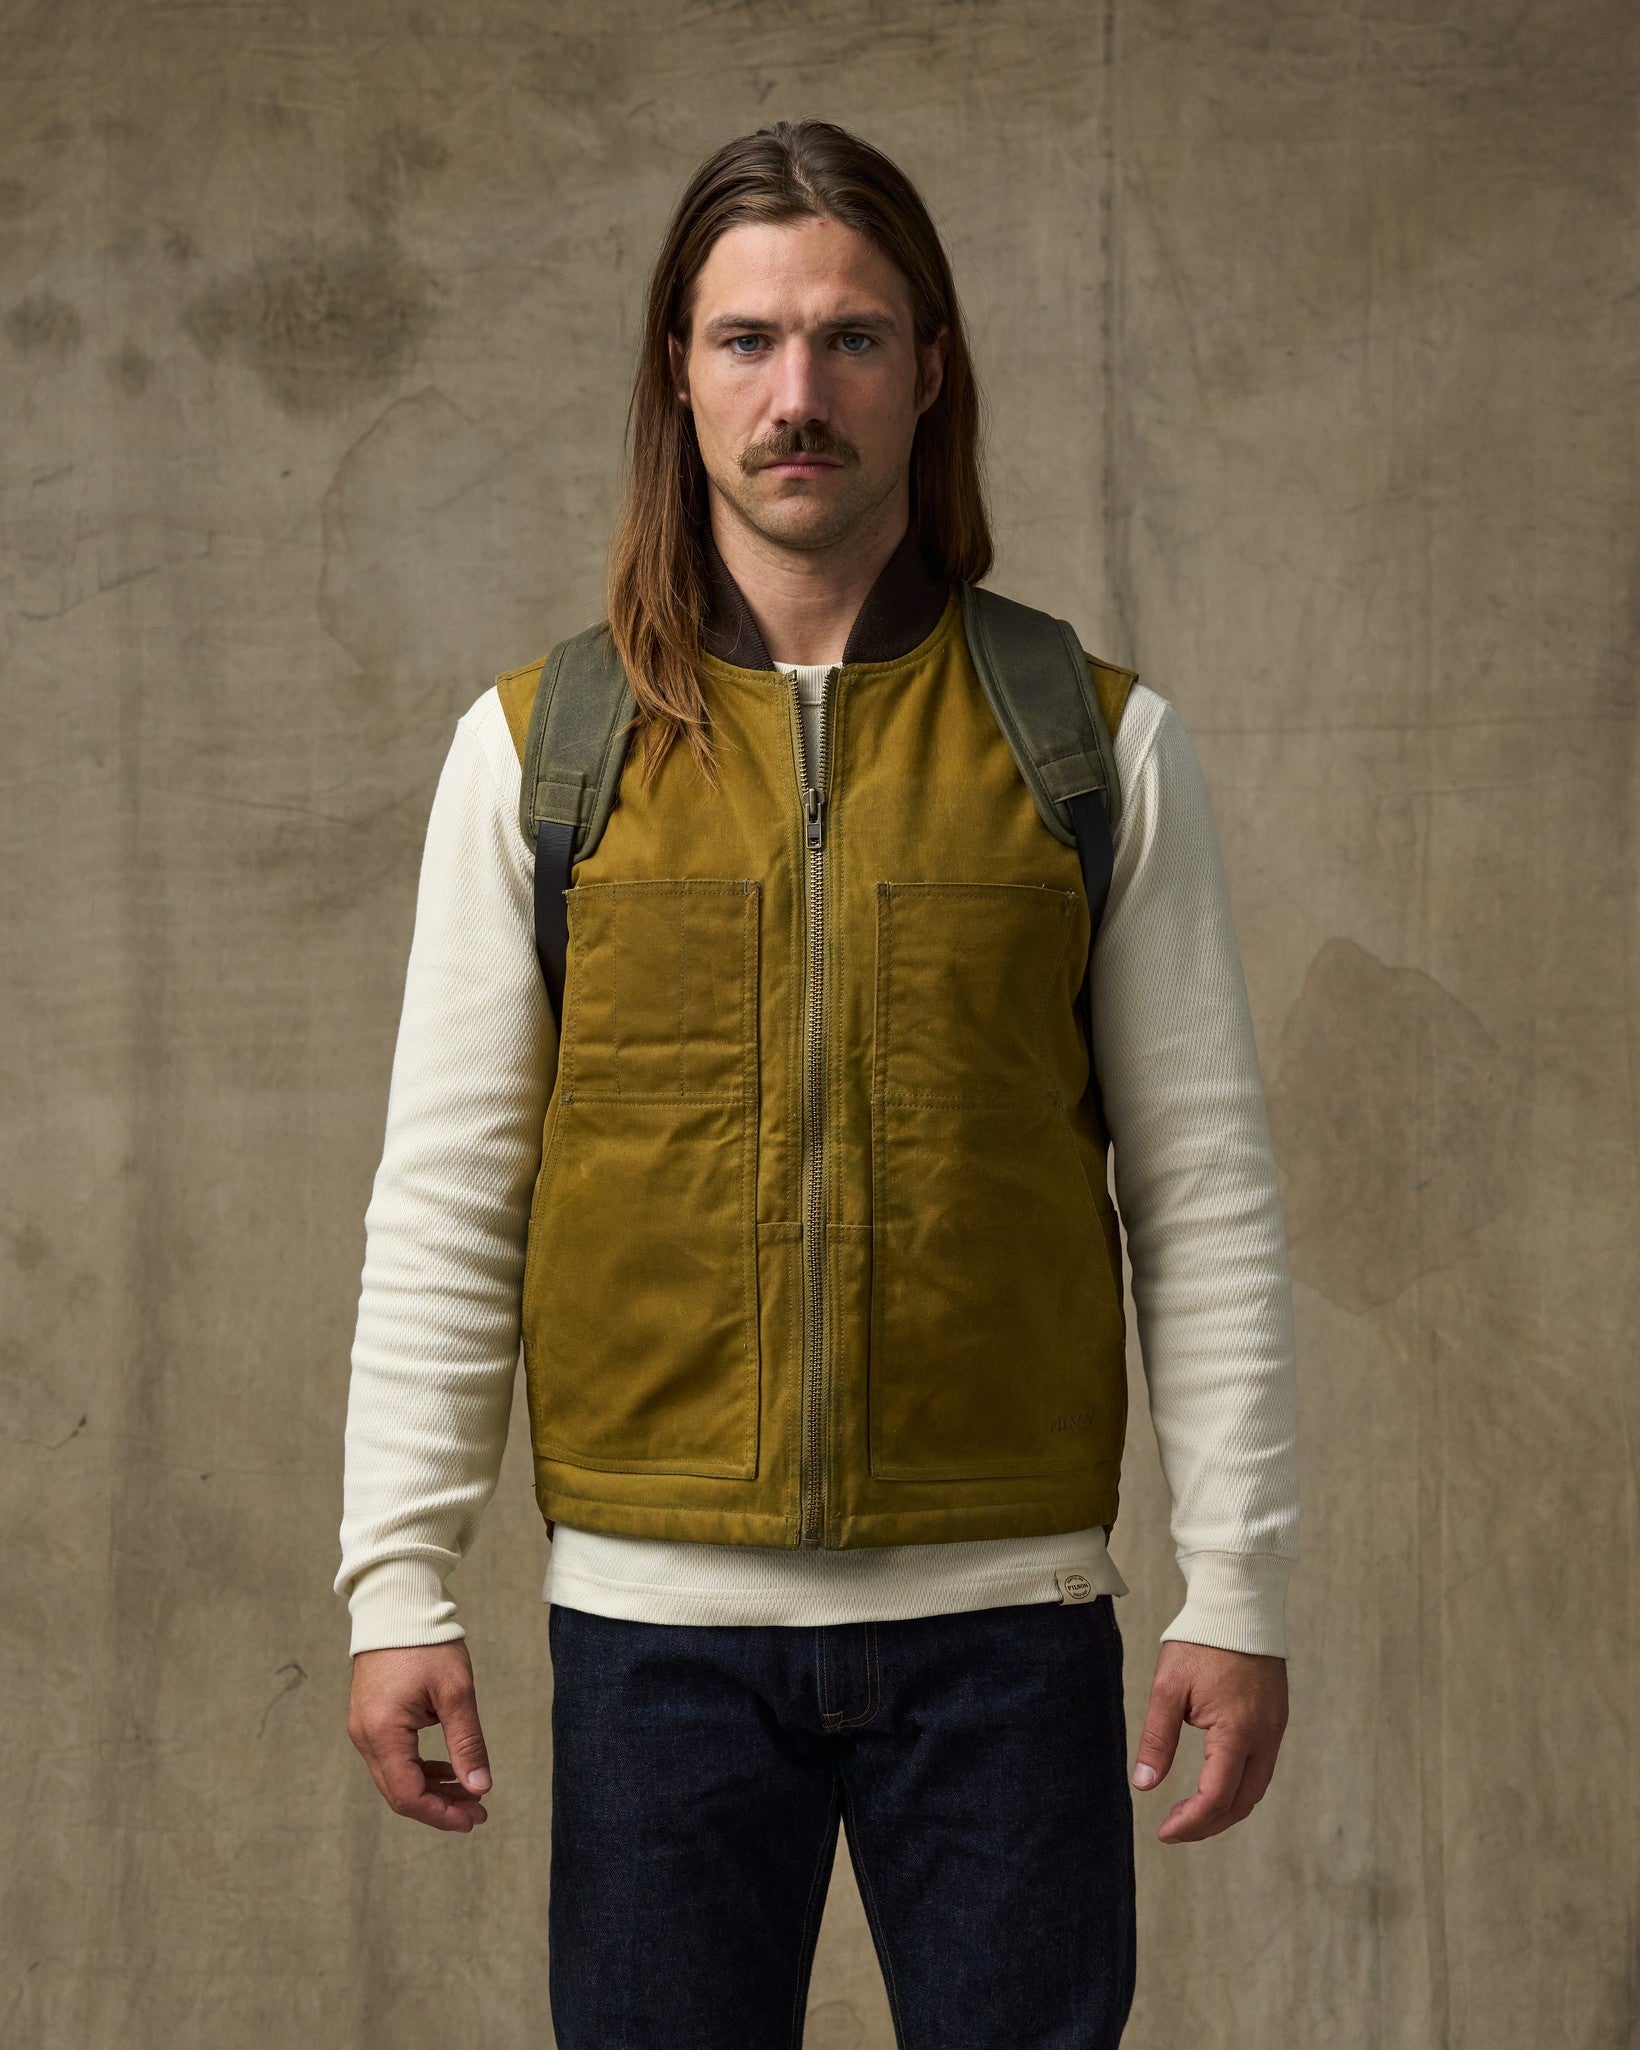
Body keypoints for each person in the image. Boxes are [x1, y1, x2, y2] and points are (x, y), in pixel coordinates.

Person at [336, 118, 1299, 2049]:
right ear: (677, 375)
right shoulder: (538, 754)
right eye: (749, 340)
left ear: (929, 369)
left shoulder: (1091, 745)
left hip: (1011, 1631)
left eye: (851, 338)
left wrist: (1240, 1583)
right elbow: (450, 1197)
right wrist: (397, 1583)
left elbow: (1203, 1195)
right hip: (656, 1645)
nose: (800, 393)